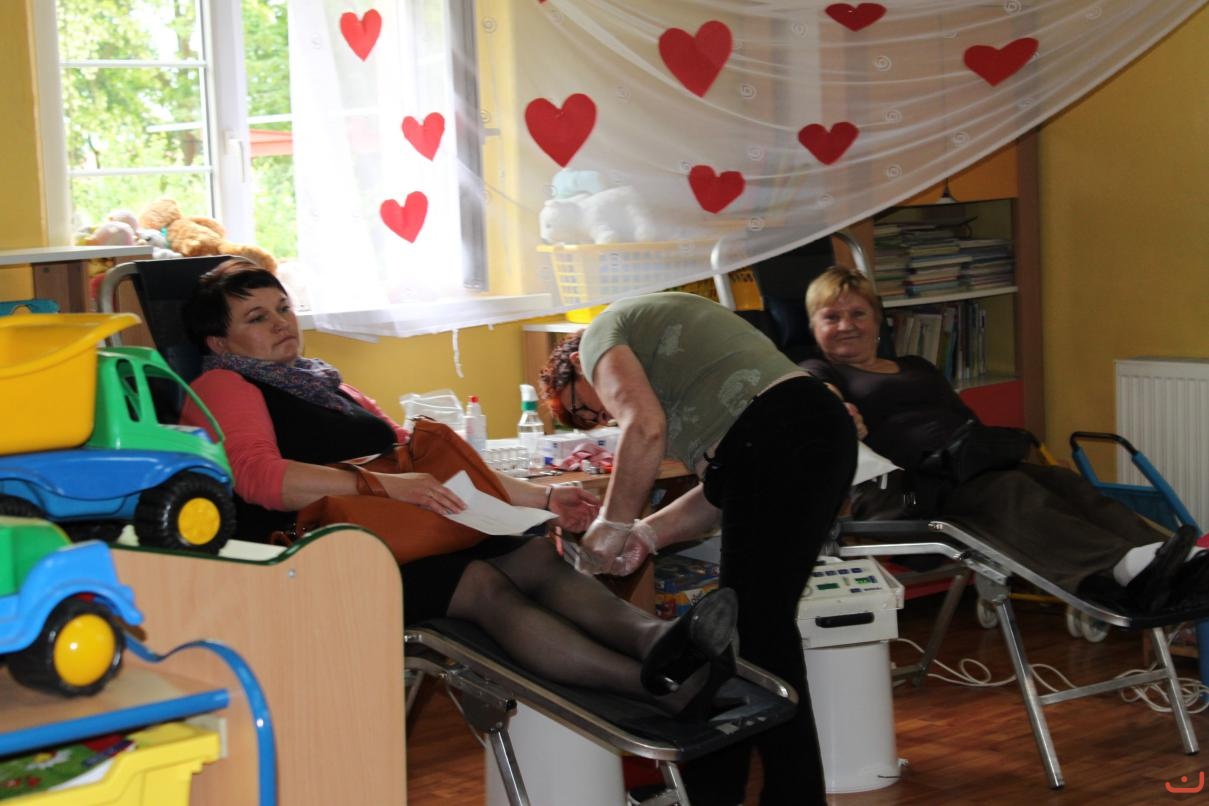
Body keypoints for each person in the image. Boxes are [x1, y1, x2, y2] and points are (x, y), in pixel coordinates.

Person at [177, 258, 740, 718]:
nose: (281, 323)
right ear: (220, 343)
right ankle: (654, 688)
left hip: (399, 538)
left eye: (283, 308)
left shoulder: (328, 384)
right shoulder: (222, 384)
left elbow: (438, 467)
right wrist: (385, 487)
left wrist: (545, 498)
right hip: (315, 560)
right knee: (478, 581)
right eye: (257, 317)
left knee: (532, 553)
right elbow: (262, 479)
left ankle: (658, 640)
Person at [539, 291, 858, 806]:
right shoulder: (687, 384)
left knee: (756, 632)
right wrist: (646, 535)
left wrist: (610, 527)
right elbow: (726, 489)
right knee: (745, 631)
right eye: (587, 422)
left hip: (782, 432)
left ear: (576, 364)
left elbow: (644, 429)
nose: (598, 415)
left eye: (582, 406)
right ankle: (716, 789)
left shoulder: (598, 337)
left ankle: (788, 795)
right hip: (811, 430)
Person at [799, 266, 1206, 613]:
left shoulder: (916, 365)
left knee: (1061, 482)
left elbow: (969, 424)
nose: (846, 325)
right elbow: (818, 398)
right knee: (1006, 490)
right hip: (905, 494)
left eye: (857, 313)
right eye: (831, 317)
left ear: (878, 321)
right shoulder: (819, 370)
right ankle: (1118, 568)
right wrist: (839, 414)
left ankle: (1175, 560)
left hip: (961, 468)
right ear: (814, 328)